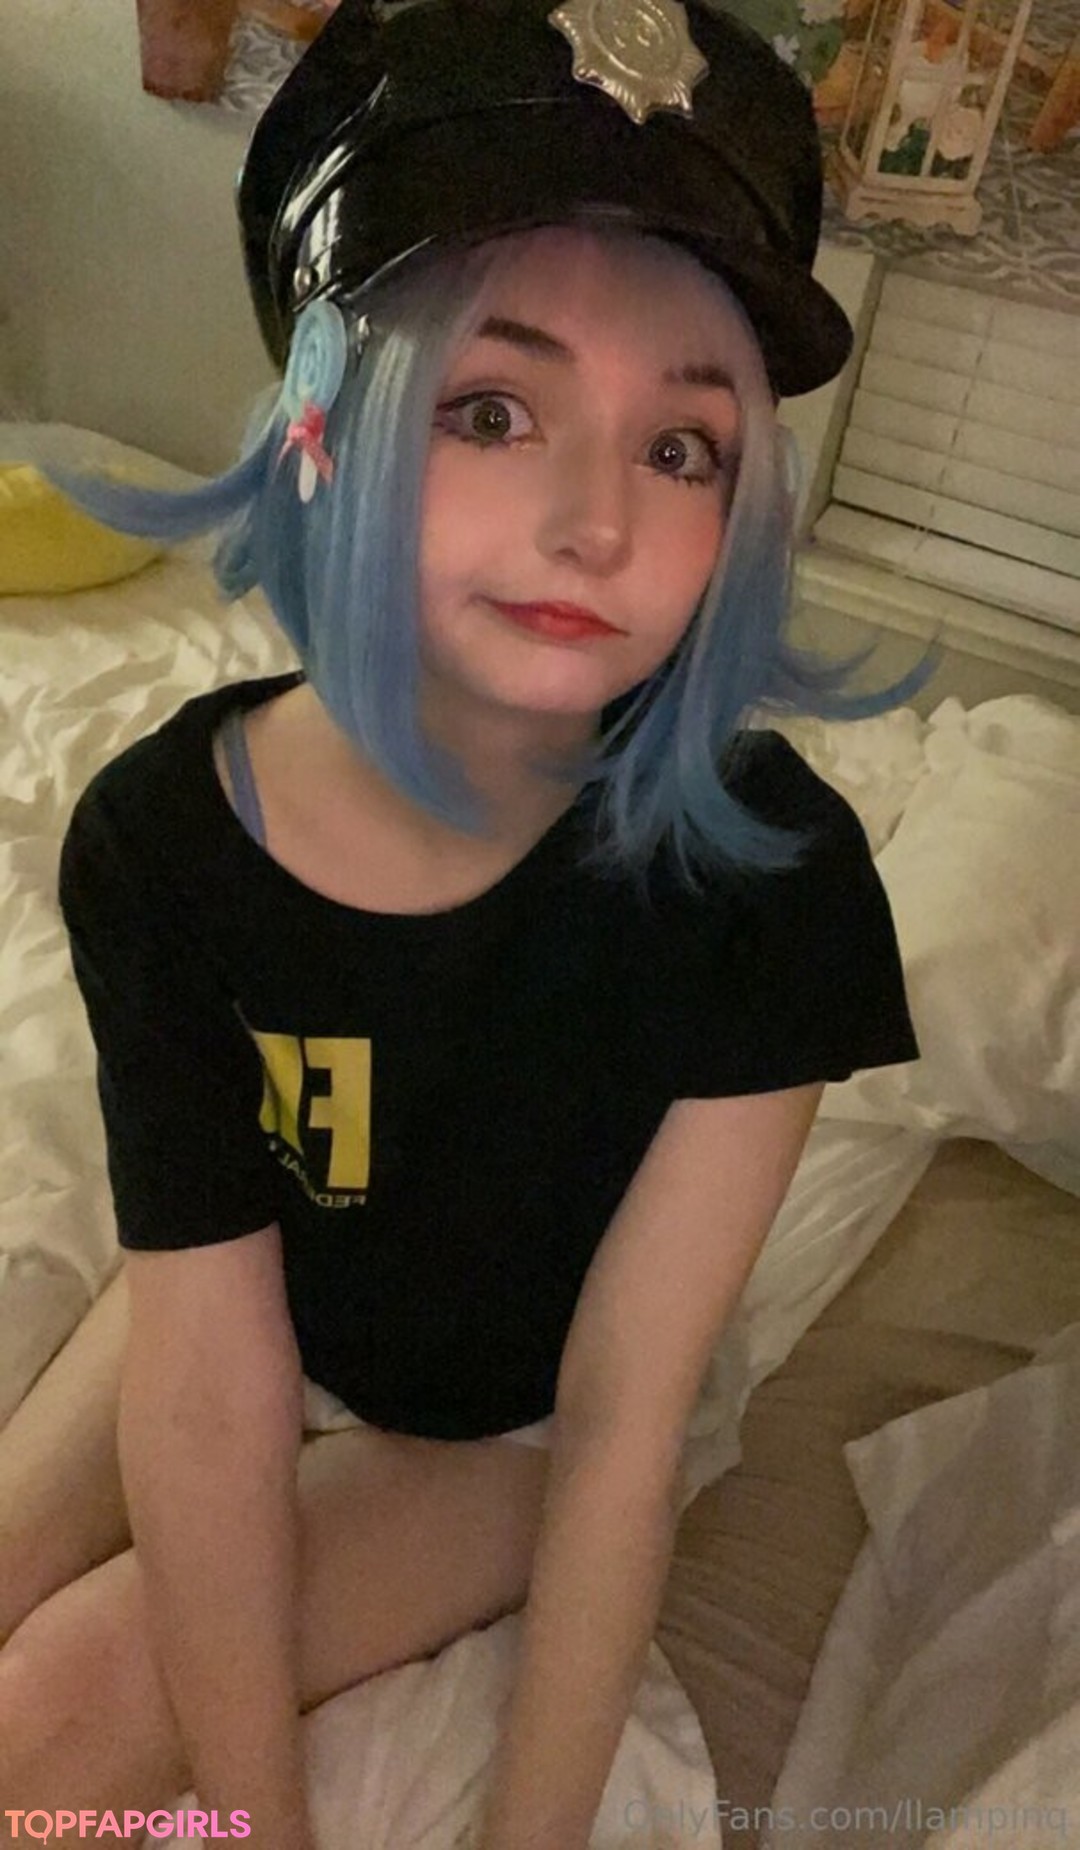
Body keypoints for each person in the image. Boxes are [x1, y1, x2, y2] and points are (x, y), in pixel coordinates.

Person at [0, 2, 940, 1846]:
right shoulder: (162, 843)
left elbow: (621, 1423)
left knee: (44, 1727)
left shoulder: (774, 882)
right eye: (494, 411)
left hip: (520, 1427)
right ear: (326, 429)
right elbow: (206, 1380)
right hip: (251, 1294)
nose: (596, 523)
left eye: (682, 448)